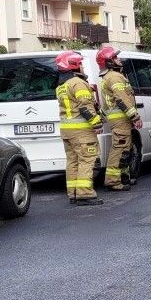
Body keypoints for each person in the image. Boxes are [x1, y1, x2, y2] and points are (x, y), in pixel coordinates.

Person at [54, 50, 103, 206]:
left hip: (67, 131)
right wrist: (97, 122)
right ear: (74, 65)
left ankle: (73, 193)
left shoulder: (61, 86)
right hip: (82, 131)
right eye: (80, 63)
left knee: (72, 162)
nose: (82, 66)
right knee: (87, 160)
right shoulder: (78, 83)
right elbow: (85, 106)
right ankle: (84, 193)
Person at [96, 45, 142, 191]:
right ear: (109, 61)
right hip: (121, 119)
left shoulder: (110, 76)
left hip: (119, 119)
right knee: (119, 149)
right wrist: (134, 116)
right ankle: (113, 181)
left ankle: (123, 178)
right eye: (115, 57)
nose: (119, 59)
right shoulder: (115, 77)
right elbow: (122, 99)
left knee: (125, 149)